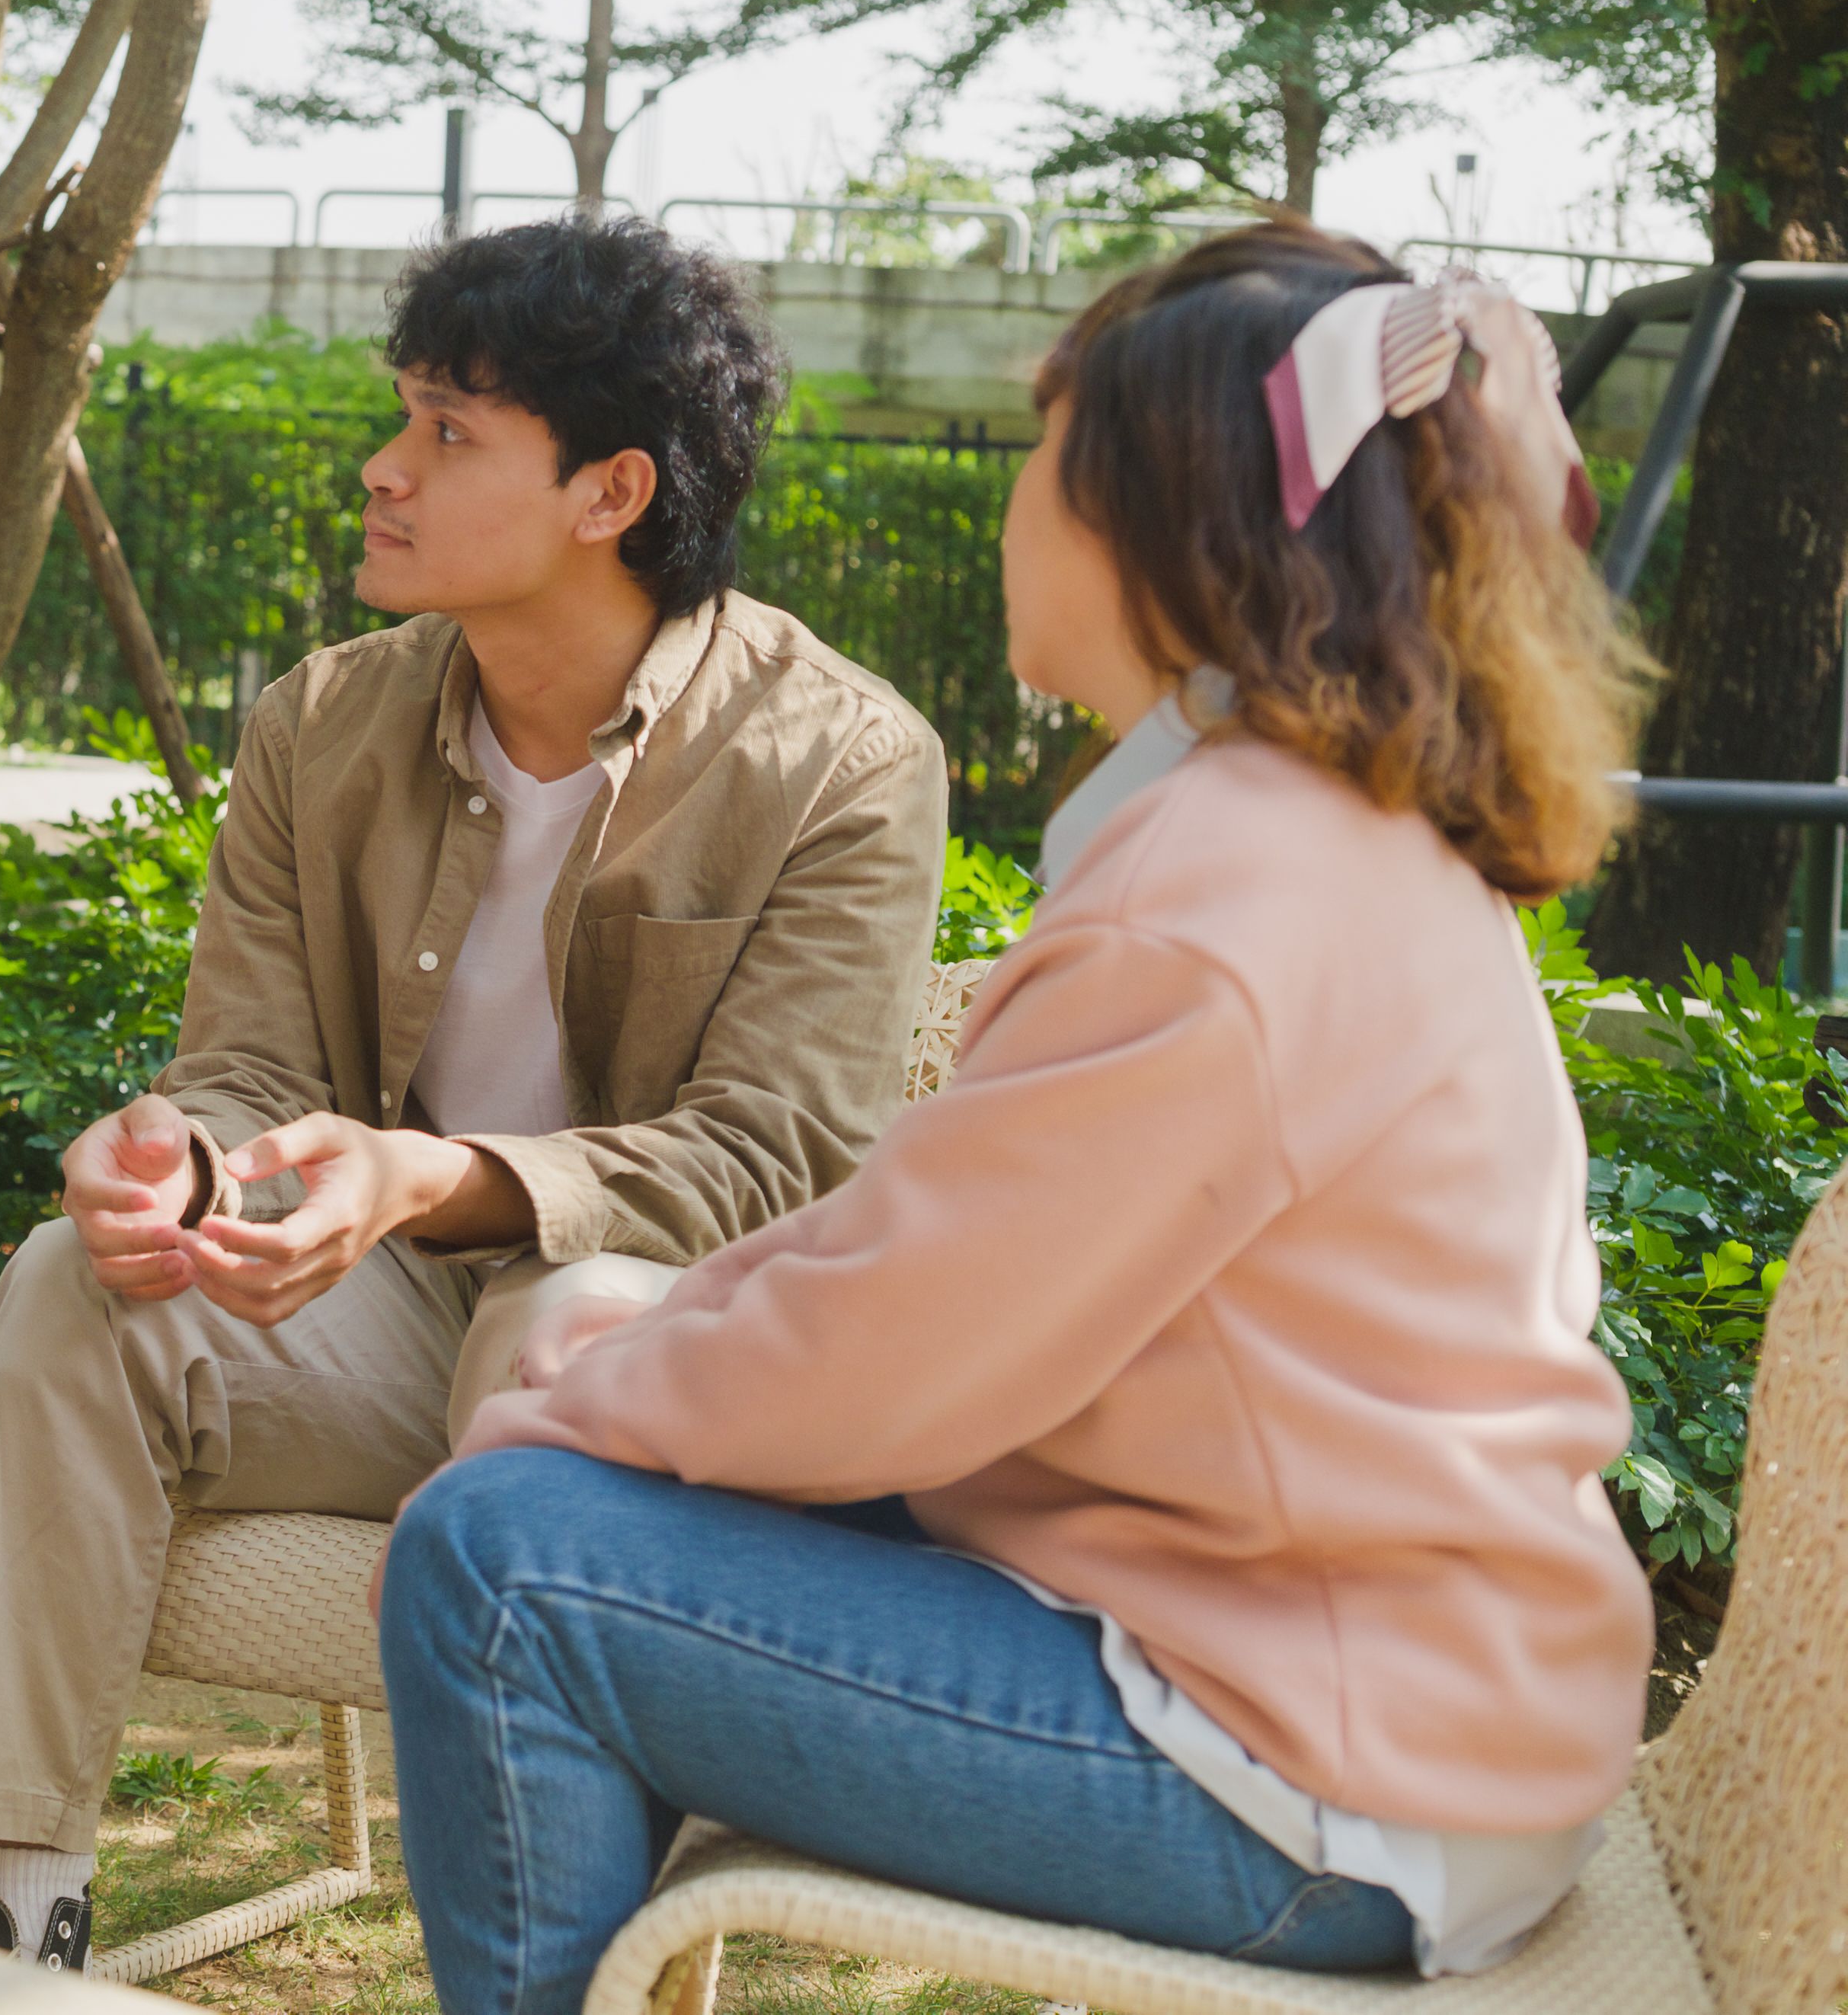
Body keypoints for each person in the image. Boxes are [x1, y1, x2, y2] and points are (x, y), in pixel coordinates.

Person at [381, 222, 1656, 2012]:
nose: (1016, 496)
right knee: (585, 1445)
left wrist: (591, 1397)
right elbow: (933, 1242)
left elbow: (903, 1353)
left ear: (1158, 518)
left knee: (498, 1563)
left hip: (1317, 1774)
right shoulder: (1304, 831)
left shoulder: (1227, 894)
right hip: (1366, 1694)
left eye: (1051, 442)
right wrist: (656, 1329)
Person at [0, 214, 950, 1964]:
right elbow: (248, 1070)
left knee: (554, 1318)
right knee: (78, 1282)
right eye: (403, 415)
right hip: (372, 1317)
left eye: (448, 433)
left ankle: (553, 1963)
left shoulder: (841, 762)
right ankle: (15, 1938)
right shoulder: (319, 724)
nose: (383, 468)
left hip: (644, 1345)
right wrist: (177, 1160)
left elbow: (775, 1162)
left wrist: (436, 1181)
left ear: (610, 493)